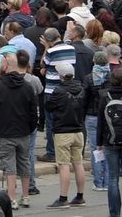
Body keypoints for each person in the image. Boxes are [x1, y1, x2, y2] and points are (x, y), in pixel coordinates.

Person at [0, 51, 39, 209]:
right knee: (24, 163)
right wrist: (31, 128)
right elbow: (33, 110)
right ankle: (26, 196)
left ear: (6, 65)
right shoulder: (27, 86)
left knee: (9, 166)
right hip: (23, 131)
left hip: (5, 131)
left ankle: (12, 198)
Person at [46, 62, 88, 208]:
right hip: (78, 130)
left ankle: (63, 198)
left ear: (61, 75)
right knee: (78, 163)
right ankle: (80, 196)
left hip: (63, 131)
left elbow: (49, 107)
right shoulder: (82, 89)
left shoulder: (58, 91)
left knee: (64, 165)